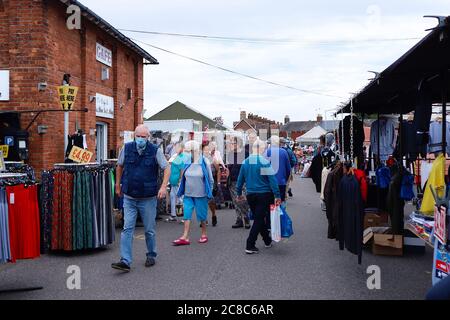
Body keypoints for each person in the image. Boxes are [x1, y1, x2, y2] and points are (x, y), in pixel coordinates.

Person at [112, 125, 170, 272]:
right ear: (134, 136)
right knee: (127, 228)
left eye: (144, 137)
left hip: (148, 198)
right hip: (130, 196)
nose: (141, 139)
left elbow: (167, 167)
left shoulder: (155, 151)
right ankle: (125, 260)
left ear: (148, 138)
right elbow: (119, 166)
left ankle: (151, 254)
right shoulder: (127, 148)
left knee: (149, 229)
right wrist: (117, 185)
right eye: (138, 136)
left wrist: (163, 187)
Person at [237, 139, 281, 254]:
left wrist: (238, 193)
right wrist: (277, 195)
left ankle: (267, 240)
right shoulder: (264, 162)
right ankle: (250, 244)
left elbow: (240, 180)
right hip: (264, 194)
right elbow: (272, 180)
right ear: (261, 149)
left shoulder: (245, 162)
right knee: (259, 219)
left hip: (250, 194)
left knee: (258, 217)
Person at [173, 140, 214, 246]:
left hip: (201, 194)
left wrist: (209, 192)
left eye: (190, 151)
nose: (188, 153)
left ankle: (204, 234)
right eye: (187, 151)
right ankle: (185, 236)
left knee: (202, 215)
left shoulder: (204, 161)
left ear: (196, 150)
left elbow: (210, 179)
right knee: (186, 215)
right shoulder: (187, 162)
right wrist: (180, 190)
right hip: (188, 194)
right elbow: (183, 177)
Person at [226, 136, 251, 229]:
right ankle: (239, 219)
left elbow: (249, 168)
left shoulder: (246, 153)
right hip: (232, 180)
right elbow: (229, 167)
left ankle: (246, 217)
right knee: (235, 201)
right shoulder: (230, 154)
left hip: (243, 181)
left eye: (233, 143)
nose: (231, 145)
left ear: (238, 143)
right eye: (231, 143)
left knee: (243, 200)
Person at [202, 141, 225, 227]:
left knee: (211, 202)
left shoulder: (213, 160)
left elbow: (218, 171)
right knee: (203, 201)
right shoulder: (200, 160)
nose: (207, 151)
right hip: (202, 183)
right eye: (205, 150)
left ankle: (213, 214)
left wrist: (218, 182)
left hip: (212, 182)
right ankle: (204, 219)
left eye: (208, 150)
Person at [264, 136, 292, 204]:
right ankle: (279, 214)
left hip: (269, 183)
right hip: (281, 182)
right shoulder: (284, 152)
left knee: (270, 204)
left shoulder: (266, 152)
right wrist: (285, 179)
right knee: (280, 203)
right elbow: (288, 169)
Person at [166, 142, 188, 222]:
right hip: (174, 182)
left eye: (177, 147)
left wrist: (180, 180)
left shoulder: (182, 157)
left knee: (180, 199)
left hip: (178, 182)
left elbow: (182, 170)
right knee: (173, 197)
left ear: (182, 148)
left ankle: (185, 217)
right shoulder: (176, 156)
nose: (175, 148)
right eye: (175, 147)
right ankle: (173, 215)